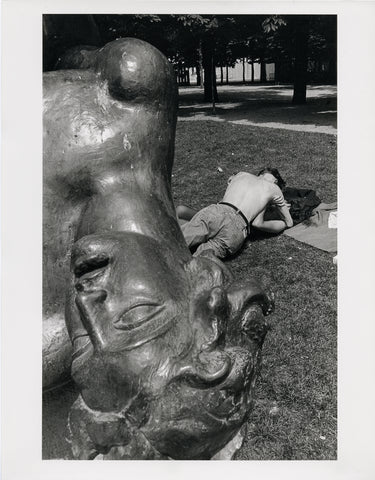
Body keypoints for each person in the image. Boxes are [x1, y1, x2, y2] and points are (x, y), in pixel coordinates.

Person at [178, 167, 293, 259]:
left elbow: (231, 183)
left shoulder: (241, 175)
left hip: (218, 211)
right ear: (276, 181)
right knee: (200, 261)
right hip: (237, 228)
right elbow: (289, 223)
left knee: (177, 242)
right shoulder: (274, 188)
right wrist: (276, 205)